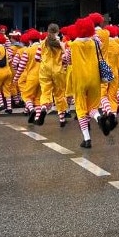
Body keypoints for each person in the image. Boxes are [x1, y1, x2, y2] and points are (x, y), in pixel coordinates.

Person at [64, 16, 106, 147]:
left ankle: (87, 139)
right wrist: (93, 36)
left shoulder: (73, 45)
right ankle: (98, 117)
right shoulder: (95, 42)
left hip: (80, 80)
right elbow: (101, 44)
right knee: (93, 107)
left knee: (81, 109)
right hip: (94, 78)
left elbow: (67, 60)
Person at [35, 23, 68, 127]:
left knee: (45, 92)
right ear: (58, 32)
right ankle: (62, 119)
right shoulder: (61, 43)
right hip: (58, 71)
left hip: (45, 70)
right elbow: (66, 59)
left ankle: (44, 108)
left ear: (48, 31)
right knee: (59, 94)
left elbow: (36, 58)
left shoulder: (42, 43)